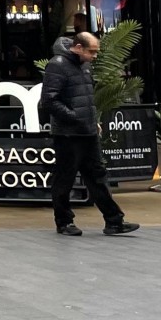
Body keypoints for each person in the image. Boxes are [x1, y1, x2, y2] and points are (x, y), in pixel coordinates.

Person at [39, 31, 138, 238]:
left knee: (97, 176)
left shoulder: (84, 65)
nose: (94, 55)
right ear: (78, 48)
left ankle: (114, 221)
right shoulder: (57, 65)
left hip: (87, 131)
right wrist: (75, 117)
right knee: (65, 178)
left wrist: (93, 121)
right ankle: (64, 222)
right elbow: (49, 101)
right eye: (91, 51)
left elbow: (86, 97)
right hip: (68, 134)